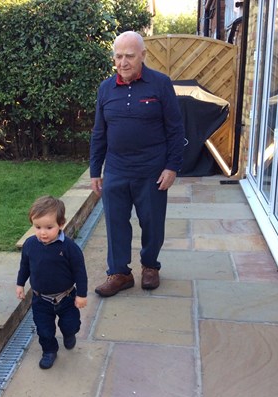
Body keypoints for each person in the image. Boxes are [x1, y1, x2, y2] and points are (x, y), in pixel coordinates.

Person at [90, 31, 185, 297]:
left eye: (129, 56)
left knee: (152, 222)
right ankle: (119, 273)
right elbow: (99, 132)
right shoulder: (105, 88)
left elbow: (176, 129)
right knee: (116, 223)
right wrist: (95, 170)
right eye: (118, 56)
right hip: (117, 169)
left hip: (152, 170)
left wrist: (172, 166)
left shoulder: (161, 84)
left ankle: (150, 266)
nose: (123, 62)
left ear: (143, 55)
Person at [16, 195, 88, 369]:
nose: (43, 232)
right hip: (41, 299)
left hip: (67, 297)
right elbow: (25, 265)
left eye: (49, 227)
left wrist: (82, 295)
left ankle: (69, 334)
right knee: (44, 330)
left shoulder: (69, 248)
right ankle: (49, 351)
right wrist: (20, 284)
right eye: (38, 227)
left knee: (71, 325)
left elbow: (80, 272)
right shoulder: (30, 245)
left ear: (61, 224)